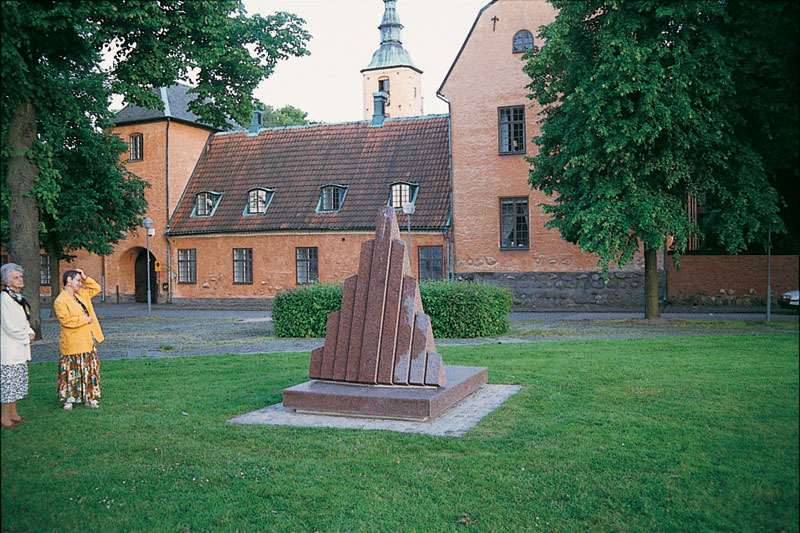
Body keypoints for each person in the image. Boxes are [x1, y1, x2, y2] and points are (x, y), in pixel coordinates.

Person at [53, 268, 104, 410]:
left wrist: (84, 276)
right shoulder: (60, 301)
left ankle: (90, 397)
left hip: (87, 340)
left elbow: (97, 288)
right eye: (77, 280)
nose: (80, 284)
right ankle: (70, 399)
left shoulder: (81, 294)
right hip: (72, 342)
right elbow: (66, 321)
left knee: (89, 369)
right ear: (68, 281)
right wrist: (84, 319)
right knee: (71, 371)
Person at [1, 263, 35, 429]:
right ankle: (4, 417)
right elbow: (9, 325)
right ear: (7, 282)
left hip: (19, 347)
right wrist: (25, 337)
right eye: (16, 277)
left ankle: (14, 414)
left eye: (21, 277)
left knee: (17, 383)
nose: (20, 280)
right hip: (9, 348)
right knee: (9, 384)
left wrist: (30, 332)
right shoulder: (5, 299)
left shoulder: (16, 298)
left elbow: (23, 320)